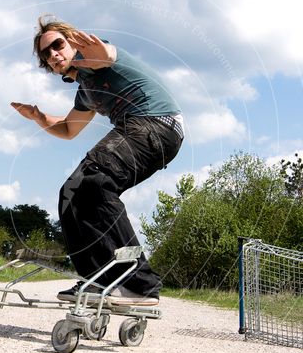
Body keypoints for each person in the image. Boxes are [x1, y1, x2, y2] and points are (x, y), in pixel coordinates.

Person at [11, 16, 184, 305]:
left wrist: (97, 51)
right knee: (72, 193)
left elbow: (107, 55)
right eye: (47, 53)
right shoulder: (86, 93)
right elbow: (68, 129)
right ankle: (101, 279)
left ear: (72, 42)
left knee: (96, 178)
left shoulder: (95, 57)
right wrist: (39, 117)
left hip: (157, 125)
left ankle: (140, 284)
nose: (54, 54)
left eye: (58, 45)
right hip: (142, 134)